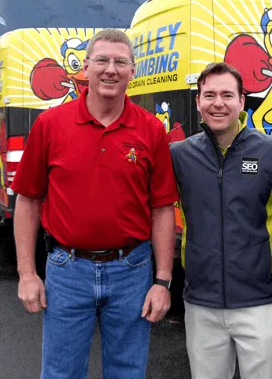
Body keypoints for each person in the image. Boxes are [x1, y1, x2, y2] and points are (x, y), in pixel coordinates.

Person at [10, 28, 178, 379]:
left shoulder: (151, 130)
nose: (110, 69)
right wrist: (27, 274)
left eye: (120, 62)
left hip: (132, 271)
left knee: (127, 373)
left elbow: (162, 208)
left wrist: (162, 281)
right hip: (67, 270)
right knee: (61, 373)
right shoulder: (50, 125)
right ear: (85, 68)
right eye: (102, 60)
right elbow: (28, 200)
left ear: (133, 71)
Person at [170, 61, 272, 379]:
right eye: (209, 95)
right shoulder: (179, 156)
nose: (218, 103)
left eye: (227, 95)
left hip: (260, 301)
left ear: (241, 101)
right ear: (198, 102)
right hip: (202, 301)